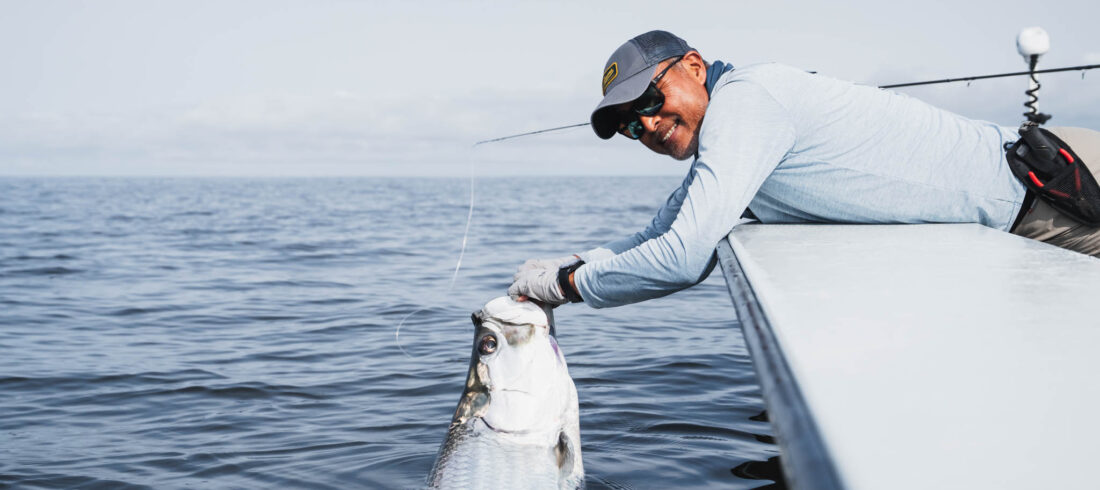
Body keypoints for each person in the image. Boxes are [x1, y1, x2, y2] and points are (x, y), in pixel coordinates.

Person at [508, 30, 1100, 309]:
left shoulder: (745, 104)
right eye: (629, 125)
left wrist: (563, 289)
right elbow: (659, 235)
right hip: (1031, 203)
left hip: (1057, 190)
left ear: (693, 66)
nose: (647, 126)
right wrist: (572, 263)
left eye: (649, 102)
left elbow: (684, 258)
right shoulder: (734, 141)